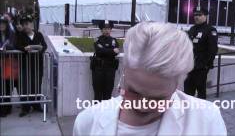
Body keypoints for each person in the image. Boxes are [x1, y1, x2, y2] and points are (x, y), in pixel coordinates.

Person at [73, 22, 226, 136]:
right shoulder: (87, 121)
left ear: (178, 83)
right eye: (134, 92)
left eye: (158, 98)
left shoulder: (207, 120)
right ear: (124, 70)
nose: (143, 106)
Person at [15, 15, 47, 117]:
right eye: (23, 25)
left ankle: (36, 104)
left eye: (27, 24)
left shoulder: (39, 35)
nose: (25, 26)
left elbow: (44, 46)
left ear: (31, 25)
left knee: (36, 84)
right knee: (25, 86)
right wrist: (25, 48)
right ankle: (25, 107)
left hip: (37, 65)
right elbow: (17, 46)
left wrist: (40, 49)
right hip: (25, 65)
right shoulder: (20, 35)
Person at [184, 7, 218, 99]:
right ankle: (188, 110)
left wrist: (207, 65)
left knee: (200, 90)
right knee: (187, 89)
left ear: (205, 16)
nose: (196, 17)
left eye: (199, 15)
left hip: (201, 67)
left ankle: (201, 111)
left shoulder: (210, 30)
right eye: (195, 14)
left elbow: (213, 50)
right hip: (190, 65)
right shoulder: (192, 29)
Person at [91, 22, 120, 101]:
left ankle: (106, 113)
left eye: (108, 29)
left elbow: (116, 52)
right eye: (104, 29)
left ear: (110, 30)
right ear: (101, 30)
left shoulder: (114, 40)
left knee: (108, 94)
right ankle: (97, 112)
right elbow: (99, 51)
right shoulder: (97, 40)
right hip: (98, 70)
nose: (107, 31)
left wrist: (105, 50)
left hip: (110, 70)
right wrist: (112, 51)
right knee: (98, 93)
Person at [0, 16, 16, 117]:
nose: (1, 26)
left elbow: (14, 45)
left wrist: (7, 47)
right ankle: (2, 108)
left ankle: (7, 107)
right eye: (0, 24)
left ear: (6, 25)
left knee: (7, 85)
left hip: (8, 62)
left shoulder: (11, 34)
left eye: (3, 24)